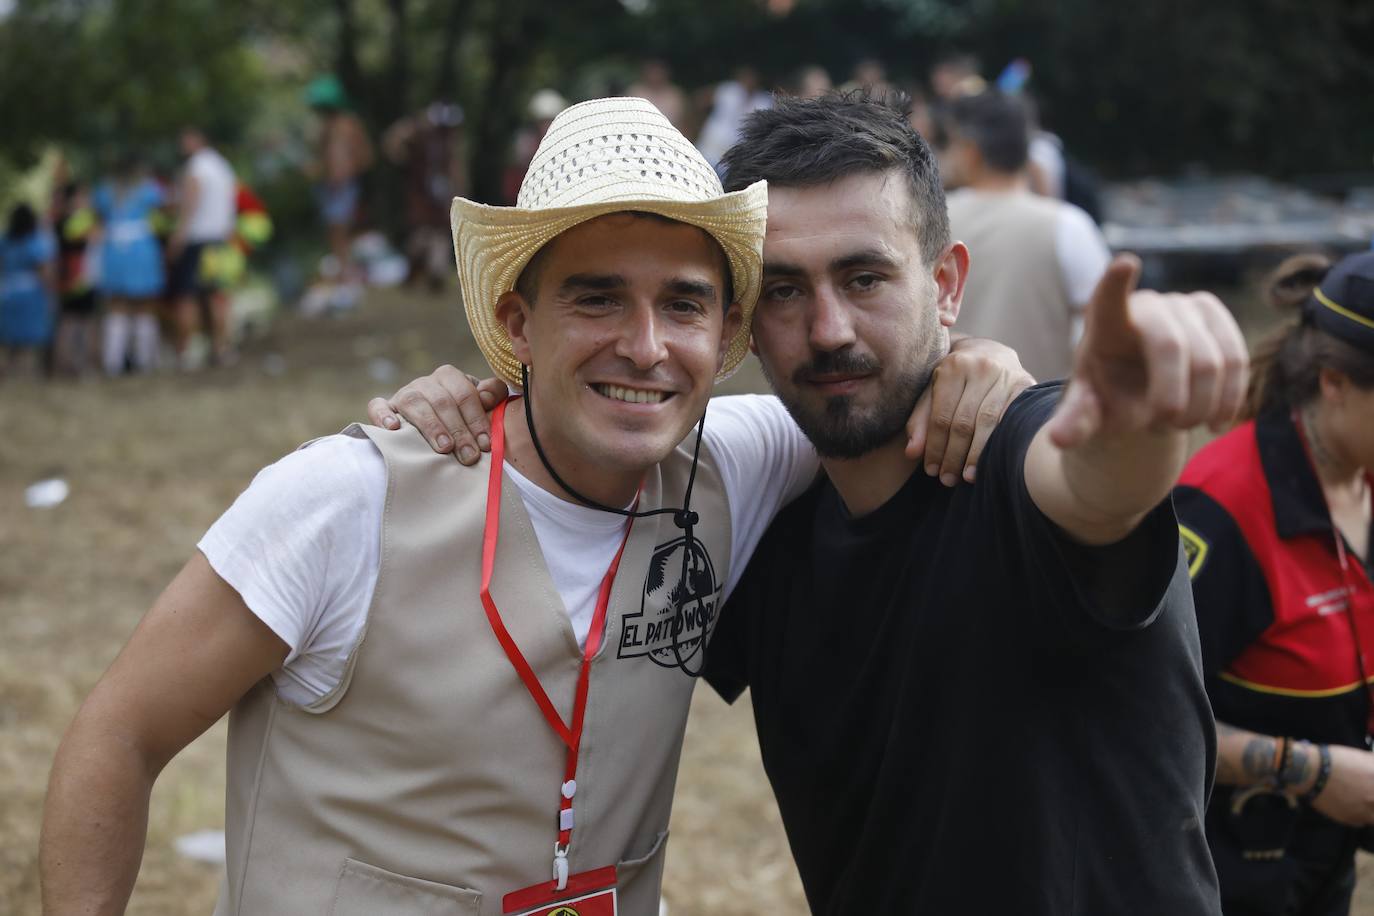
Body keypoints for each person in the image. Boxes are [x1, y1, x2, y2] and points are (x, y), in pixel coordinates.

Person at [40, 97, 1024, 916]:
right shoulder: (346, 498)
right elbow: (117, 734)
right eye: (596, 299)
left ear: (726, 324)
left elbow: (868, 389)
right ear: (517, 321)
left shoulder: (744, 462)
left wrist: (977, 363)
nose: (645, 346)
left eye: (682, 303)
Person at [376, 92, 1245, 914]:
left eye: (865, 277)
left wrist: (1139, 424)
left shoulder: (1014, 455)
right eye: (786, 289)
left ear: (945, 286)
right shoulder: (760, 525)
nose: (828, 330)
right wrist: (483, 408)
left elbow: (1098, 488)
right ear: (740, 322)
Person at [1175, 251, 1374, 916]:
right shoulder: (1223, 507)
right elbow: (1143, 717)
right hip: (1222, 879)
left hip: (1324, 867)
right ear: (1334, 383)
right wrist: (1313, 772)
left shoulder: (1364, 477)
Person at [942, 89, 1111, 380]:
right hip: (1043, 416)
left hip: (944, 413)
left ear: (970, 151)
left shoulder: (931, 220)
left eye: (951, 144)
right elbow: (1107, 327)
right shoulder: (1068, 225)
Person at [169, 127, 237, 368]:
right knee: (217, 295)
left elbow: (191, 201)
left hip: (197, 239)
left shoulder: (196, 167)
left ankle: (186, 351)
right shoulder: (222, 166)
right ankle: (221, 347)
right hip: (219, 240)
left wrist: (179, 234)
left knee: (187, 296)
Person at [383, 100, 468, 292]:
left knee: (439, 233)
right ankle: (416, 269)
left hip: (441, 196)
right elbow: (393, 147)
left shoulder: (449, 142)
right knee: (422, 234)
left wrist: (458, 195)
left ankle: (436, 273)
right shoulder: (418, 136)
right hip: (420, 195)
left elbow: (455, 169)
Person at [93, 156, 167, 375]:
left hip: (114, 250)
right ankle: (144, 360)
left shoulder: (104, 191)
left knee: (116, 306)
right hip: (142, 249)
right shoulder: (148, 189)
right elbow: (166, 207)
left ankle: (113, 362)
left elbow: (98, 217)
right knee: (144, 306)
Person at [306, 75, 374, 286]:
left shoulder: (348, 125)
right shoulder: (327, 129)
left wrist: (346, 173)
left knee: (342, 229)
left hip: (344, 186)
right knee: (335, 230)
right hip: (331, 186)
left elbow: (365, 157)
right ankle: (343, 271)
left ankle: (347, 273)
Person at [49, 182, 100, 376]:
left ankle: (65, 365)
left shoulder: (57, 220)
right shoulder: (81, 219)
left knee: (68, 322)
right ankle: (80, 365)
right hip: (79, 278)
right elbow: (97, 237)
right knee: (82, 322)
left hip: (67, 276)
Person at [0, 202, 56, 377]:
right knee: (28, 339)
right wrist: (51, 292)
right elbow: (44, 271)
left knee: (9, 338)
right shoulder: (34, 243)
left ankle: (7, 371)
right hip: (31, 295)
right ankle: (24, 374)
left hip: (7, 293)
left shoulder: (5, 242)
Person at [627, 59, 689, 131]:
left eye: (658, 72)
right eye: (652, 72)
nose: (655, 76)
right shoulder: (635, 92)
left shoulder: (675, 95)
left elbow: (683, 122)